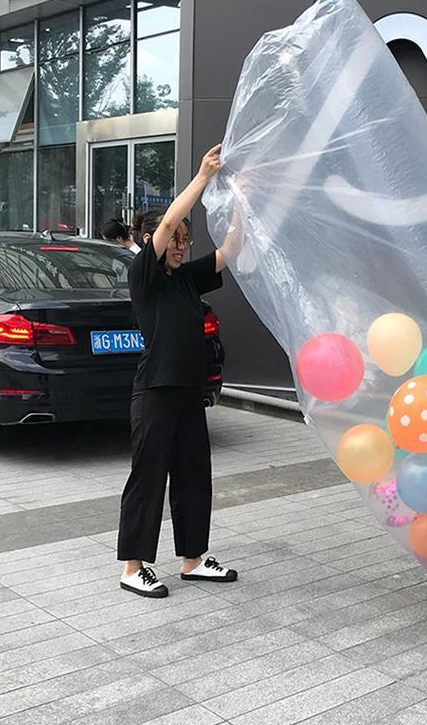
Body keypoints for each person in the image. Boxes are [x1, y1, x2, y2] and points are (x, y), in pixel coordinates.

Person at [117, 143, 241, 598]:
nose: (181, 245)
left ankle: (193, 559)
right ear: (155, 240)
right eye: (176, 239)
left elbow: (231, 249)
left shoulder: (187, 278)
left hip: (189, 391)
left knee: (193, 474)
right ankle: (133, 567)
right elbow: (169, 220)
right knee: (148, 476)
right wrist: (203, 176)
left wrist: (243, 200)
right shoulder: (144, 275)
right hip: (154, 391)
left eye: (187, 241)